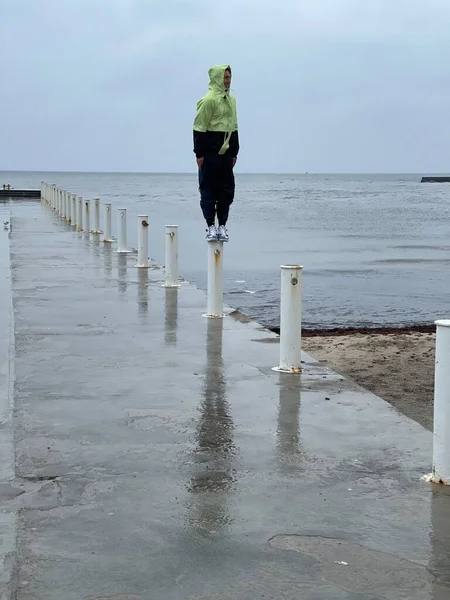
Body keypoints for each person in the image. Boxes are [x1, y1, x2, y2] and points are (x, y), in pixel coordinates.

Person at [193, 64, 239, 242]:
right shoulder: (208, 100)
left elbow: (234, 127)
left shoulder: (232, 101)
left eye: (229, 77)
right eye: (224, 77)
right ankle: (210, 225)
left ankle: (222, 225)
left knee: (226, 192)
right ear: (217, 79)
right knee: (208, 191)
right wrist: (199, 154)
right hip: (209, 155)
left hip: (226, 156)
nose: (227, 81)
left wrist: (234, 152)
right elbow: (199, 128)